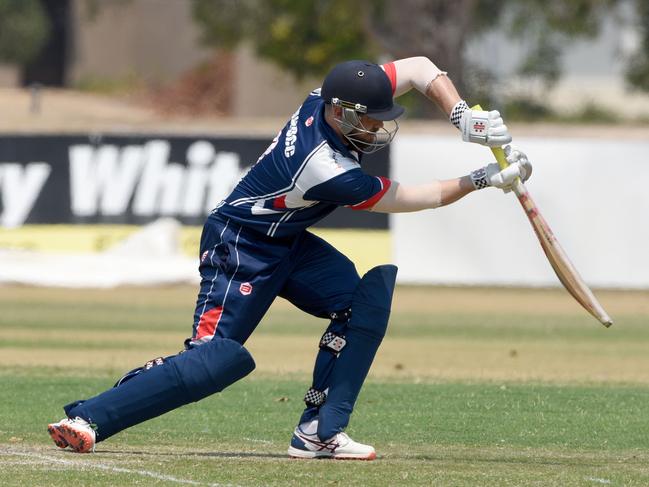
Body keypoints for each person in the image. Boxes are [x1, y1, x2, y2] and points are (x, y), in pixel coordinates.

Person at [47, 57, 531, 460]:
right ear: (341, 115)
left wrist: (462, 115)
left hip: (289, 241)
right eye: (371, 119)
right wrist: (482, 179)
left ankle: (319, 430)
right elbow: (416, 197)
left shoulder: (328, 93)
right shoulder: (325, 169)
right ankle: (87, 417)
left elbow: (422, 67)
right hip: (240, 244)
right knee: (214, 361)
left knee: (362, 301)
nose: (381, 126)